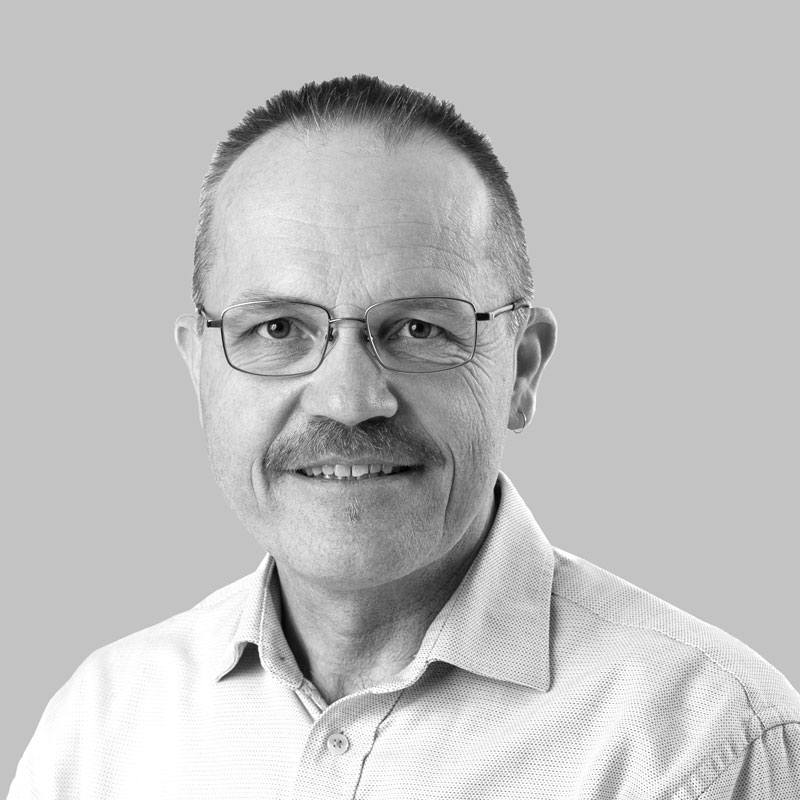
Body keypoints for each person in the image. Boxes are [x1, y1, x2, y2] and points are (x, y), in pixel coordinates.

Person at [9, 75, 800, 799]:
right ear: (200, 373)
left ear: (522, 370)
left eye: (419, 328)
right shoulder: (99, 729)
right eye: (277, 328)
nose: (350, 401)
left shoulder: (702, 742)